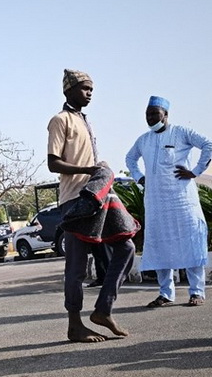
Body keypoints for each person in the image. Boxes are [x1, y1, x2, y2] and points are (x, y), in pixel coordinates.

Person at [47, 69, 135, 343]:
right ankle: (75, 325)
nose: (90, 92)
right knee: (76, 266)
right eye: (85, 88)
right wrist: (89, 169)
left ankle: (103, 310)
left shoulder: (86, 121)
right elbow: (53, 163)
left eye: (91, 88)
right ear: (69, 90)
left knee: (127, 247)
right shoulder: (60, 120)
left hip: (98, 198)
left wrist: (100, 172)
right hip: (75, 201)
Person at [125, 95, 212, 308]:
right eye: (147, 114)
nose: (150, 118)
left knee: (190, 241)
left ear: (166, 115)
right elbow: (130, 158)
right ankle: (165, 293)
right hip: (156, 203)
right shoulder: (143, 140)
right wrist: (139, 177)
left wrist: (195, 171)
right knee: (159, 246)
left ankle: (197, 292)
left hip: (182, 200)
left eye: (154, 113)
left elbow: (208, 145)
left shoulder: (182, 133)